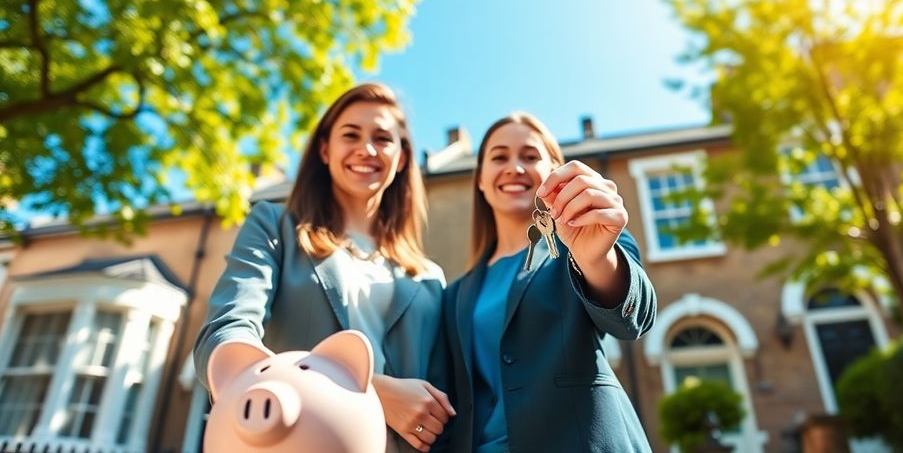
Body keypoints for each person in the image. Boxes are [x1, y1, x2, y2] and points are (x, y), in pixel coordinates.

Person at [194, 83, 455, 453]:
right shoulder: (274, 227)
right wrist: (373, 391)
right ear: (325, 150)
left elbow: (441, 400)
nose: (366, 149)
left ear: (401, 159)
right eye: (350, 134)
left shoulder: (429, 278)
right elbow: (226, 332)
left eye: (382, 138)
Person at [442, 112, 657, 452]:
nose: (515, 167)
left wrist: (596, 259)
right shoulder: (454, 295)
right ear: (480, 178)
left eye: (530, 156)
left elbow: (634, 319)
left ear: (554, 171)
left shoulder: (591, 240)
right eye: (499, 157)